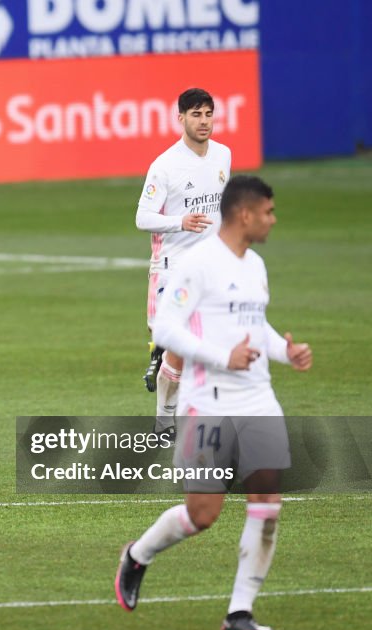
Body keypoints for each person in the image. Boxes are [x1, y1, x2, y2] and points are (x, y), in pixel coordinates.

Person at [115, 175, 313, 630]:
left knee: (267, 505)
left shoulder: (256, 265)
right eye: (268, 211)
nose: (273, 219)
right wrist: (223, 358)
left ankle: (239, 612)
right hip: (208, 405)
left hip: (259, 400)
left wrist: (286, 352)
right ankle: (137, 555)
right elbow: (165, 330)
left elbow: (255, 325)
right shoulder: (198, 263)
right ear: (245, 213)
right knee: (201, 514)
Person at [136, 88, 232, 436]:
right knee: (177, 351)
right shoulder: (165, 166)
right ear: (181, 118)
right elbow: (142, 218)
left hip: (213, 270)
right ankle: (164, 421)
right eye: (196, 114)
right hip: (172, 268)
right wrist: (180, 221)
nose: (203, 121)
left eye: (208, 114)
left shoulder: (223, 155)